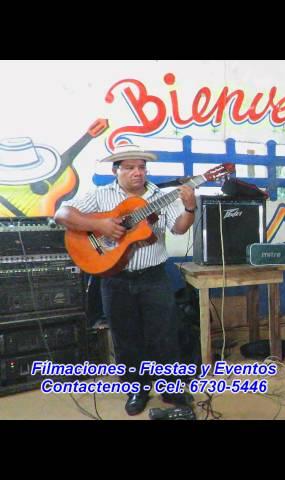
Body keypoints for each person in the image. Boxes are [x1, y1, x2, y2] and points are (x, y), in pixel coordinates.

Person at [54, 144, 197, 416]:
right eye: (130, 167)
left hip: (154, 276)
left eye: (142, 167)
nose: (137, 173)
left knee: (164, 334)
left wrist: (190, 208)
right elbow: (62, 214)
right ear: (115, 170)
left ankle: (172, 387)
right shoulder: (101, 195)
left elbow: (178, 229)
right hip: (114, 277)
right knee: (125, 336)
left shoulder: (159, 196)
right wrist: (100, 225)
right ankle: (136, 389)